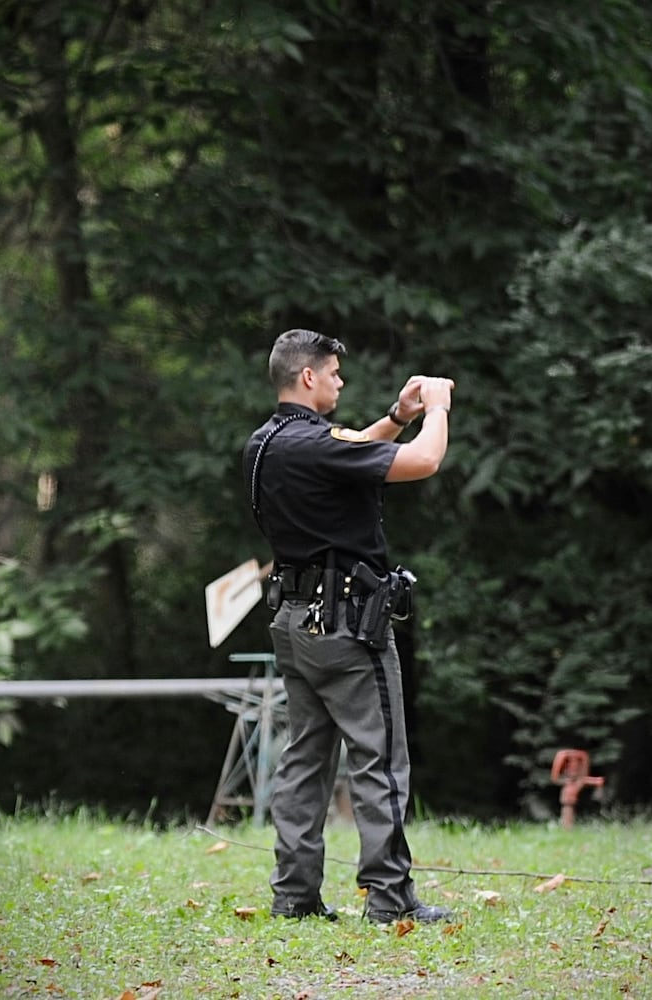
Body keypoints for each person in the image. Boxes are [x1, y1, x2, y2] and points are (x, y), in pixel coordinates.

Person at [242, 327, 455, 925]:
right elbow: (425, 460)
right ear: (308, 377)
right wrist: (435, 410)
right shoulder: (314, 445)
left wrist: (396, 415)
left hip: (292, 623)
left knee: (305, 759)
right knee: (379, 759)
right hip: (346, 629)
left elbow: (351, 449)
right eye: (334, 373)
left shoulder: (267, 443)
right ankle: (389, 900)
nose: (340, 381)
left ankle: (295, 896)